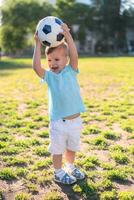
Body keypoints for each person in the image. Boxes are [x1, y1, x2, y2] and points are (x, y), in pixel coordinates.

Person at [32, 23, 85, 185]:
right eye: (49, 60)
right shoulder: (49, 76)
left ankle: (70, 166)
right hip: (58, 123)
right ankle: (58, 172)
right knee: (57, 149)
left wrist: (68, 36)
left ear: (66, 60)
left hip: (75, 121)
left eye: (56, 59)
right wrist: (37, 44)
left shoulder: (71, 70)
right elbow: (36, 67)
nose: (52, 63)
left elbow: (74, 55)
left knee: (72, 148)